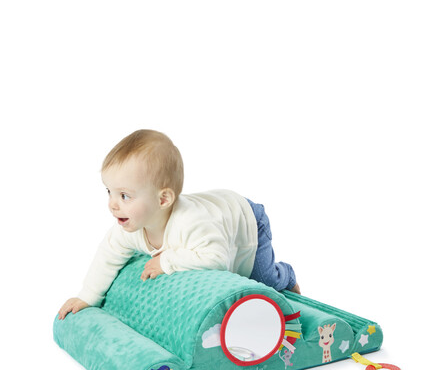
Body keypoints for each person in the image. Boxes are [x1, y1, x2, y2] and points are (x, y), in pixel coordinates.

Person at [58, 129, 300, 320]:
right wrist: (87, 297)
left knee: (263, 280)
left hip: (246, 220)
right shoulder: (128, 228)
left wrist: (167, 261)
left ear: (163, 199)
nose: (112, 204)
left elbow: (217, 259)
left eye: (124, 196)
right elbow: (108, 256)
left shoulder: (190, 223)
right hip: (216, 215)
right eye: (109, 191)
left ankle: (286, 275)